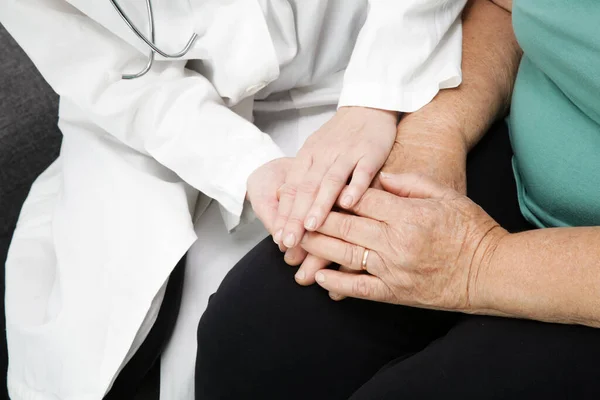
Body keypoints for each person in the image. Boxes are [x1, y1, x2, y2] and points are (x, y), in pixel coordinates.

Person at [0, 0, 468, 398]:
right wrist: (244, 166)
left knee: (284, 340)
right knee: (91, 349)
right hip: (149, 110)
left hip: (375, 64)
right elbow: (96, 61)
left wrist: (375, 98)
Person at [196, 0, 600, 398]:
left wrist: (479, 264)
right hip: (518, 154)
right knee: (251, 343)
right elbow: (506, 6)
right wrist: (437, 134)